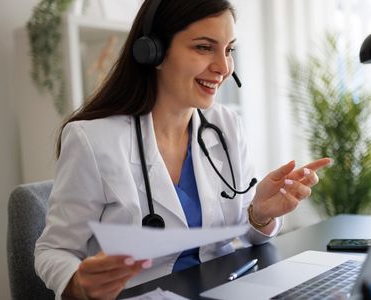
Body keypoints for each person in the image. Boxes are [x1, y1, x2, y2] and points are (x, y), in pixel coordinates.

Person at [34, 1, 332, 299]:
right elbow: (54, 250)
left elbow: (245, 234)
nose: (224, 67)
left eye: (229, 50)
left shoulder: (226, 125)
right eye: (204, 47)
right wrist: (77, 284)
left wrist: (260, 213)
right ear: (154, 52)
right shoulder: (93, 140)